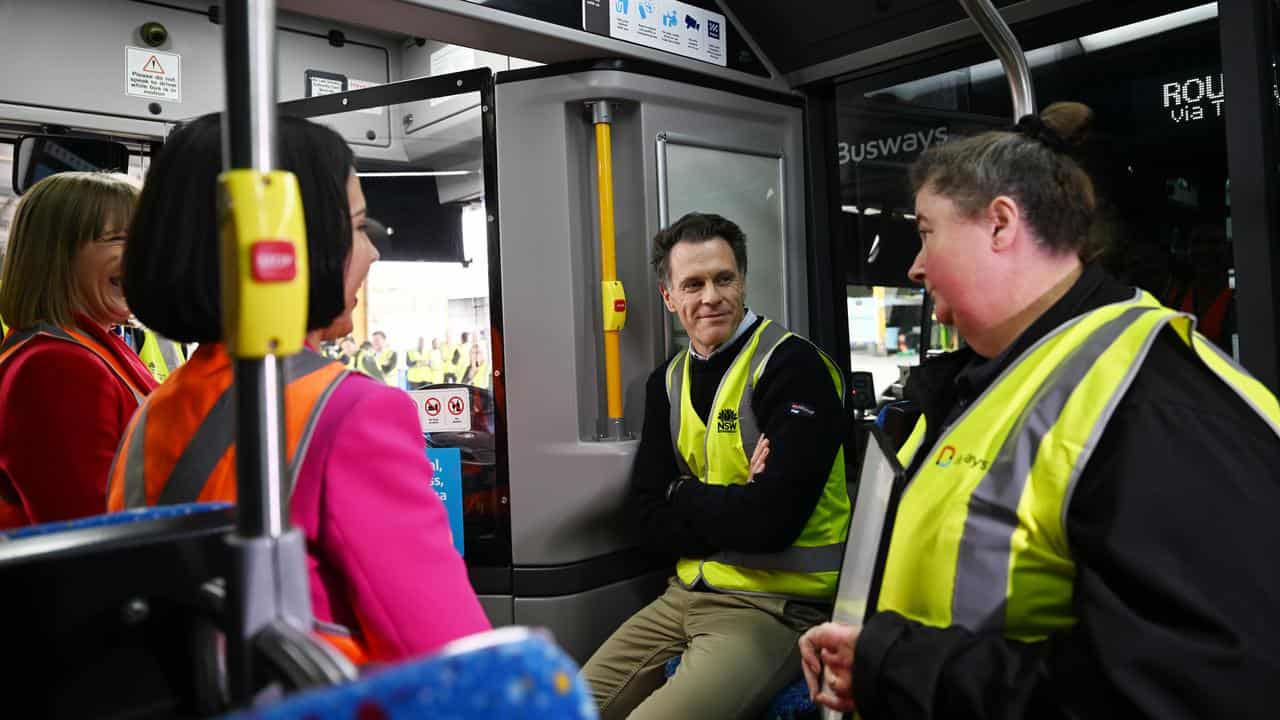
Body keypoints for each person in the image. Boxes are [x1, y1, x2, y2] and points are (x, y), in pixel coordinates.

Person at [798, 113, 1280, 718]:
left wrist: (895, 666)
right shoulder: (989, 377)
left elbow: (1188, 690)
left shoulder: (1156, 406)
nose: (915, 268)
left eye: (926, 233)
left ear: (1001, 224)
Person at [108, 114, 490, 662]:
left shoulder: (153, 411)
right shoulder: (352, 413)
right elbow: (453, 656)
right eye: (360, 229)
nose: (374, 254)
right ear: (287, 248)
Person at [582, 212, 850, 719]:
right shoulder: (667, 382)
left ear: (743, 281)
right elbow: (643, 518)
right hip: (682, 597)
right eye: (693, 284)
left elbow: (774, 521)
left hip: (772, 608)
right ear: (669, 298)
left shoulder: (794, 368)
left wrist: (680, 494)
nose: (710, 297)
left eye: (724, 278)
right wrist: (736, 504)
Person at [0, 172, 157, 528]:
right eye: (119, 239)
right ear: (56, 255)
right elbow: (88, 525)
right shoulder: (55, 366)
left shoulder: (88, 347)